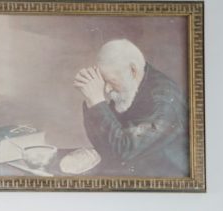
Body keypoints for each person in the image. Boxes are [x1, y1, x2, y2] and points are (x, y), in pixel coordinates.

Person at [73, 38, 189, 177]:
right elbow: (105, 145)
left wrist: (97, 101)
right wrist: (91, 100)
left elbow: (122, 150)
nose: (107, 90)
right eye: (104, 82)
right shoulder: (129, 89)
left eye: (111, 81)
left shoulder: (163, 100)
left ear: (133, 70)